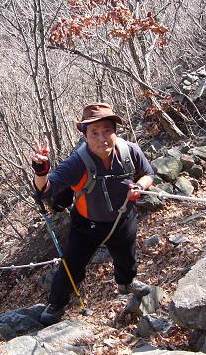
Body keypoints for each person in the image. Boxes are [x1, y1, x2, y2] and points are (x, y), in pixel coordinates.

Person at [31, 102, 155, 326]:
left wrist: (142, 186)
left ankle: (125, 283)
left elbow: (148, 173)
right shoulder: (77, 163)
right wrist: (41, 171)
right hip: (86, 225)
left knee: (127, 256)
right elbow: (45, 190)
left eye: (107, 130)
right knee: (71, 267)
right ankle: (56, 304)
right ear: (85, 136)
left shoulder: (130, 151)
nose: (102, 138)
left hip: (122, 218)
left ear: (115, 131)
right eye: (94, 133)